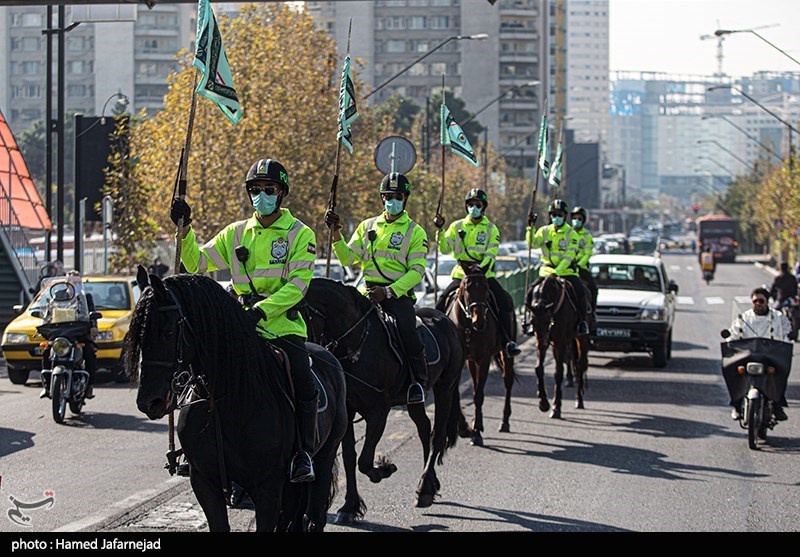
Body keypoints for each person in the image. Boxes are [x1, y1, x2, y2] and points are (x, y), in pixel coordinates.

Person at [169, 158, 319, 483]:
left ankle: (303, 453)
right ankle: (196, 447)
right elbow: (195, 263)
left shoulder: (300, 233)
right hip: (238, 328)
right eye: (255, 190)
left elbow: (298, 286)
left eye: (268, 189)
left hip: (282, 327)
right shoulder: (235, 233)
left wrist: (262, 311)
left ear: (282, 193)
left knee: (302, 380)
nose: (261, 196)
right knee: (199, 373)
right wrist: (185, 228)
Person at [325, 172, 429, 405]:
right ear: (382, 198)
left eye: (398, 196)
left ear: (405, 198)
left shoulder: (415, 231)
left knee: (407, 330)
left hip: (396, 296)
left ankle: (418, 381)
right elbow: (347, 258)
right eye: (388, 196)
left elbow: (416, 271)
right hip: (367, 294)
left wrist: (389, 291)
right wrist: (336, 234)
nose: (393, 200)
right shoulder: (367, 226)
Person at [436, 188, 520, 357]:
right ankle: (438, 340)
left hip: (484, 275)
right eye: (471, 205)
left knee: (504, 301)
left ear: (484, 207)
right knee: (442, 302)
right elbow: (444, 249)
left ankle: (507, 341)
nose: (474, 208)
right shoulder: (456, 226)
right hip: (461, 274)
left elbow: (491, 254)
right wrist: (440, 230)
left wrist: (479, 269)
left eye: (477, 205)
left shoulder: (491, 229)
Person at [525, 199, 589, 335]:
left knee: (580, 291)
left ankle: (582, 322)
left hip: (566, 272)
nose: (556, 217)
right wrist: (530, 228)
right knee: (530, 292)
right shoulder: (544, 231)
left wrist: (557, 272)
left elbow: (569, 256)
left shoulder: (571, 233)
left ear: (565, 216)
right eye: (554, 215)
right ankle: (531, 320)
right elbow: (532, 244)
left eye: (559, 215)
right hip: (546, 271)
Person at [727, 287, 790, 421]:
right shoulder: (743, 318)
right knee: (734, 371)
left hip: (771, 356)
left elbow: (786, 334)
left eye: (761, 301)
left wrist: (785, 344)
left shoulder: (778, 317)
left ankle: (777, 405)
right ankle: (736, 406)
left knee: (780, 372)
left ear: (767, 301)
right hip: (748, 355)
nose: (758, 304)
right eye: (755, 301)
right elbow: (734, 334)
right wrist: (729, 341)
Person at [39, 271, 98, 399]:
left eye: (78, 282)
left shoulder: (86, 297)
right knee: (46, 350)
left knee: (89, 352)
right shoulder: (57, 295)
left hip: (79, 333)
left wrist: (93, 326)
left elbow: (92, 313)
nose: (76, 285)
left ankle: (89, 386)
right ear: (67, 283)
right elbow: (49, 311)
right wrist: (45, 320)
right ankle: (47, 386)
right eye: (73, 282)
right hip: (59, 332)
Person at [570, 206, 597, 332]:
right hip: (566, 267)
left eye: (579, 219)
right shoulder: (566, 233)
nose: (576, 221)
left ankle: (591, 314)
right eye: (574, 218)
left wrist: (579, 264)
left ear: (583, 220)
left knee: (593, 288)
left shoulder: (587, 236)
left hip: (581, 268)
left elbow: (587, 253)